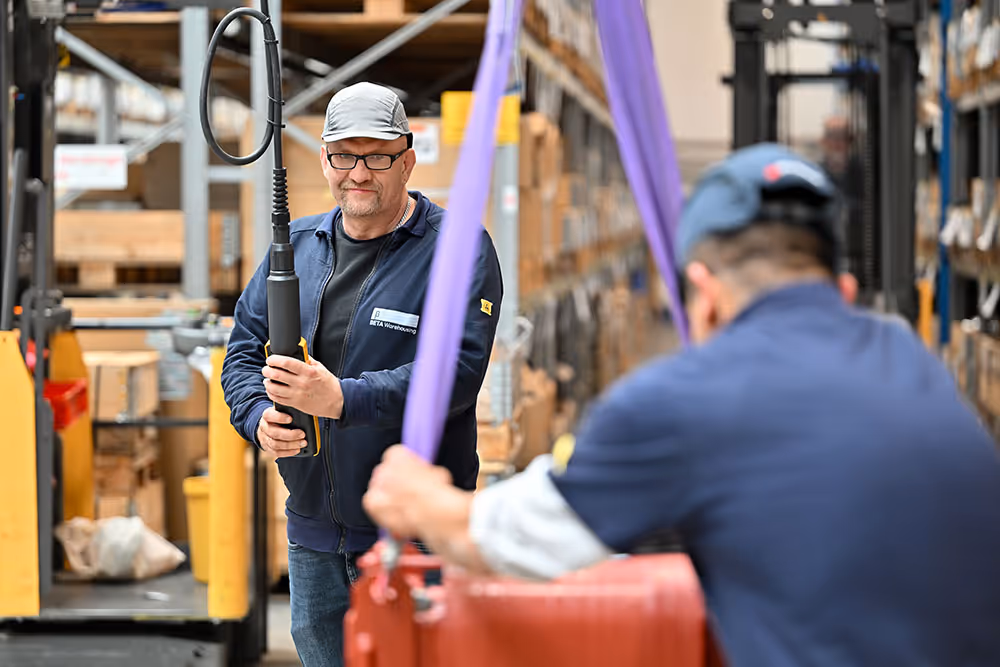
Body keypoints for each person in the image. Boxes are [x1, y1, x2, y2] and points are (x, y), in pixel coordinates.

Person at [363, 143, 1000, 667]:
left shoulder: (684, 399)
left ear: (705, 293)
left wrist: (420, 500)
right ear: (843, 288)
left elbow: (514, 542)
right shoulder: (910, 361)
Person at [221, 82, 503, 667]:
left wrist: (344, 399)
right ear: (324, 160)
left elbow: (456, 374)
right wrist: (255, 417)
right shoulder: (294, 248)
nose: (358, 173)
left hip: (415, 534)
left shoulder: (457, 250)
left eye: (376, 156)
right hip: (313, 534)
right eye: (344, 156)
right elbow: (244, 351)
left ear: (407, 160)